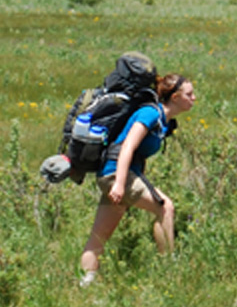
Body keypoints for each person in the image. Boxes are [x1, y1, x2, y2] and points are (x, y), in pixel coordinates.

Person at [78, 73, 196, 287]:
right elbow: (127, 146)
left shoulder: (164, 121)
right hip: (115, 175)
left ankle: (85, 285)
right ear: (176, 97)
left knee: (99, 237)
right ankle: (169, 271)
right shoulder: (150, 113)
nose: (194, 98)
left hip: (114, 175)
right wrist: (121, 184)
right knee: (165, 208)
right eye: (189, 94)